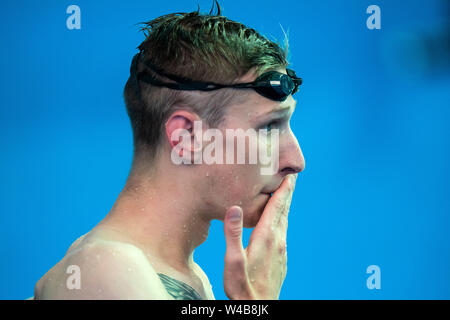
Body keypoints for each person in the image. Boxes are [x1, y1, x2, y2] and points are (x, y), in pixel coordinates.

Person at [34, 0, 305, 300]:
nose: (296, 160)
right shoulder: (106, 268)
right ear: (186, 136)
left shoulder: (187, 277)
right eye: (269, 127)